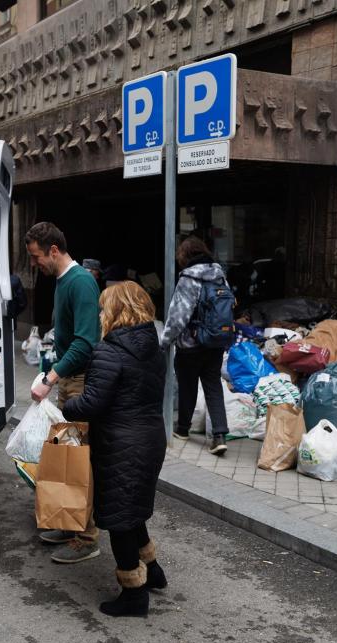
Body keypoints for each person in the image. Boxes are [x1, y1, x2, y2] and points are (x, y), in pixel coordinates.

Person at [62, 282, 168, 617]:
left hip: (121, 444)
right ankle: (152, 571)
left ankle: (133, 595)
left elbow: (93, 403)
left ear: (117, 310)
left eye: (104, 307)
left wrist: (68, 405)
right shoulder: (155, 349)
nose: (100, 314)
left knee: (120, 519)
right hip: (150, 439)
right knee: (133, 509)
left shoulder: (108, 351)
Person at [24, 221, 101, 564]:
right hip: (70, 381)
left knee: (81, 460)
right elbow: (68, 338)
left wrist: (50, 377)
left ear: (54, 250)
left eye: (37, 256)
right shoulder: (61, 280)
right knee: (69, 455)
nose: (34, 264)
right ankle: (72, 524)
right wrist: (51, 368)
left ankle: (87, 537)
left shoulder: (81, 282)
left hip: (81, 382)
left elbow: (86, 343)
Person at [160, 236, 230, 455]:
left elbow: (178, 316)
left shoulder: (188, 279)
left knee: (188, 385)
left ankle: (182, 429)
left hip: (191, 343)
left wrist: (165, 341)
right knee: (213, 385)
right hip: (215, 342)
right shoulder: (219, 276)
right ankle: (219, 435)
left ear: (185, 255)